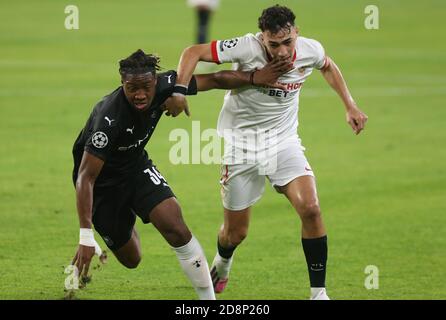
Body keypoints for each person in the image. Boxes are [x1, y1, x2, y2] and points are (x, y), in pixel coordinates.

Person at [171, 5, 369, 300]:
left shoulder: (309, 50)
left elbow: (327, 65)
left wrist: (349, 104)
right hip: (241, 146)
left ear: (296, 34)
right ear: (262, 38)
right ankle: (223, 262)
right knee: (235, 234)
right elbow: (192, 52)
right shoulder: (245, 47)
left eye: (287, 42)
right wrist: (177, 91)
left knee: (311, 209)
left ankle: (319, 293)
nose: (281, 51)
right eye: (273, 44)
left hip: (283, 142)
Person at [71, 49, 292, 300]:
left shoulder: (167, 85)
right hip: (102, 185)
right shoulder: (109, 119)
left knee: (175, 226)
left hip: (134, 167)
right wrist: (85, 236)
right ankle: (123, 213)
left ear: (155, 81)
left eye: (145, 87)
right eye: (132, 88)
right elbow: (85, 178)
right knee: (132, 259)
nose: (140, 95)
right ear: (123, 84)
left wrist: (254, 77)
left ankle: (207, 300)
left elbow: (217, 79)